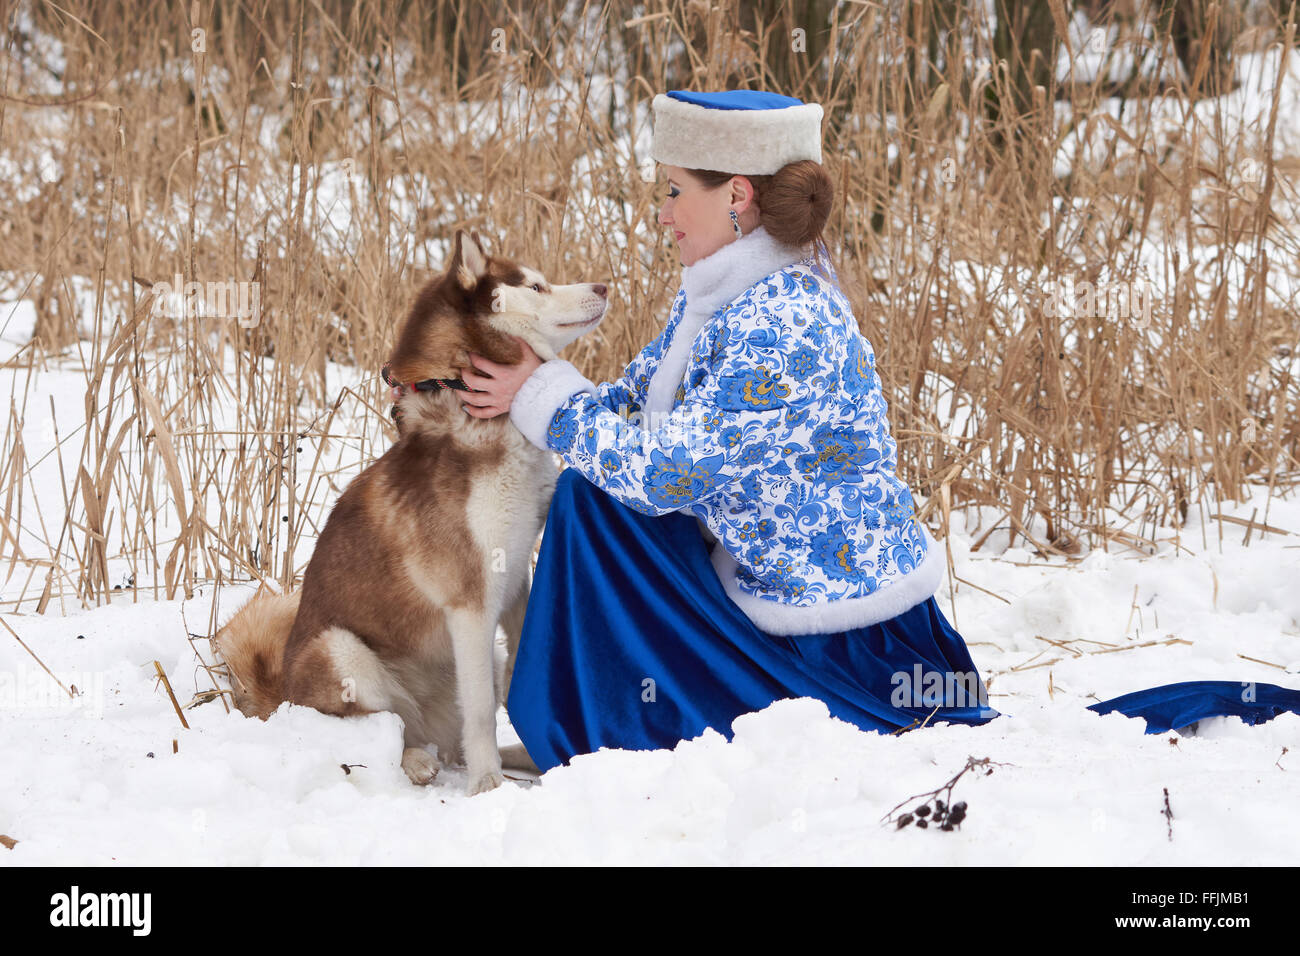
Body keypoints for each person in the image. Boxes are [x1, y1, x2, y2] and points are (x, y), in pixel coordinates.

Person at [452, 90, 1300, 772]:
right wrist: (538, 386)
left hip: (851, 647)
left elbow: (664, 476)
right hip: (785, 594)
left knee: (604, 496)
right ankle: (594, 716)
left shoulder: (780, 321)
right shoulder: (723, 289)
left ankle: (616, 725)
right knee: (594, 492)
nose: (661, 211)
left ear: (737, 197)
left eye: (675, 190)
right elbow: (634, 411)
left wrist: (546, 398)